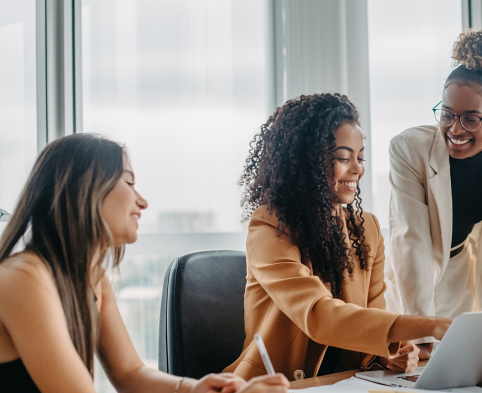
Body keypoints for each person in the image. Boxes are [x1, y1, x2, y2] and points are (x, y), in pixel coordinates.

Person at [0, 134, 290, 393]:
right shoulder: (23, 278)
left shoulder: (93, 277)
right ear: (85, 188)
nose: (142, 202)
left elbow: (129, 373)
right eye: (128, 182)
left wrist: (192, 388)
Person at [224, 93, 452, 381]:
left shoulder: (366, 230)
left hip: (343, 385)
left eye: (360, 157)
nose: (357, 169)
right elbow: (319, 315)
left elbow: (369, 324)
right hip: (274, 386)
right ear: (307, 163)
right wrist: (428, 325)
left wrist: (392, 352)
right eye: (343, 158)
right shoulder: (269, 228)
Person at [384, 28, 482, 358]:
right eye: (446, 114)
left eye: (472, 119)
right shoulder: (408, 149)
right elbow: (412, 243)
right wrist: (421, 334)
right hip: (412, 286)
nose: (455, 129)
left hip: (464, 280)